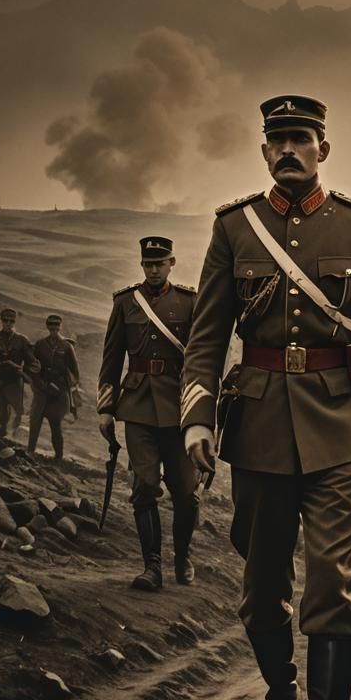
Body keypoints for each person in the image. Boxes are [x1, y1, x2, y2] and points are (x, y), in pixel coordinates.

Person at [181, 95, 351, 700]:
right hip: (256, 430)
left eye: (301, 138)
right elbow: (206, 335)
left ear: (323, 148)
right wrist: (197, 419)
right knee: (260, 596)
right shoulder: (234, 229)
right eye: (277, 139)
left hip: (340, 429)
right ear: (263, 151)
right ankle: (281, 690)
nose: (289, 149)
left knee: (333, 587)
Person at [98, 237, 201, 591]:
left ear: (172, 262)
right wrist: (106, 409)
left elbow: (203, 358)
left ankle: (182, 556)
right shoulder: (126, 303)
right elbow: (111, 358)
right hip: (139, 406)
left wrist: (204, 409)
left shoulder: (190, 302)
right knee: (144, 486)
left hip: (179, 409)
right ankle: (152, 567)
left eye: (160, 263)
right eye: (148, 264)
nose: (154, 270)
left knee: (186, 492)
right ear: (142, 265)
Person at [27, 314, 79, 461]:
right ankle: (30, 451)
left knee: (56, 426)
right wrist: (40, 384)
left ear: (60, 326)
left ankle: (58, 457)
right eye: (51, 325)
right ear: (47, 326)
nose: (54, 328)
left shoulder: (67, 346)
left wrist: (65, 387)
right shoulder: (40, 344)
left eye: (56, 325)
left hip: (58, 393)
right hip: (42, 390)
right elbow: (32, 368)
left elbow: (75, 372)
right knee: (35, 421)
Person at [0, 308, 35, 437]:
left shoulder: (22, 340)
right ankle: (2, 434)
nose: (8, 323)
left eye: (11, 321)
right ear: (2, 321)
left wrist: (23, 371)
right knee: (0, 412)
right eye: (5, 320)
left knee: (19, 411)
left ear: (14, 322)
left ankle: (16, 437)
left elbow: (31, 361)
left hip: (14, 381)